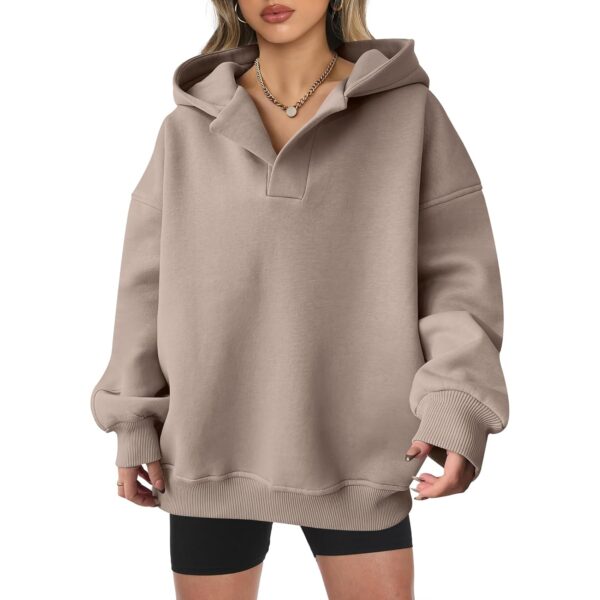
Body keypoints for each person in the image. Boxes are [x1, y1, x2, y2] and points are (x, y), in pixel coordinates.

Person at [90, 1, 510, 598]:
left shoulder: (410, 116)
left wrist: (456, 407)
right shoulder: (186, 129)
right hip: (208, 450)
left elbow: (456, 280)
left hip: (363, 455)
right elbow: (144, 287)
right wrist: (133, 420)